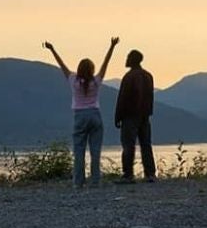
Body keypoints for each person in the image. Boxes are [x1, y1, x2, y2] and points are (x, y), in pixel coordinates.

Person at [44, 37, 119, 188]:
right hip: (95, 115)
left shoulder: (73, 80)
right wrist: (112, 46)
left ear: (79, 69)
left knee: (79, 151)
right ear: (92, 69)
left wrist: (52, 49)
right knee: (95, 151)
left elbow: (61, 65)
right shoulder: (96, 81)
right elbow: (106, 63)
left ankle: (78, 182)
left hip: (79, 116)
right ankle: (95, 181)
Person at [115, 49, 156, 183]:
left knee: (128, 145)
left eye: (127, 57)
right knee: (146, 144)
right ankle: (150, 174)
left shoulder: (129, 77)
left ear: (132, 60)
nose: (126, 59)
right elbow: (150, 97)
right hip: (145, 116)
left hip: (130, 116)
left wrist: (118, 116)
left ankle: (128, 174)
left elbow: (123, 98)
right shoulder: (148, 76)